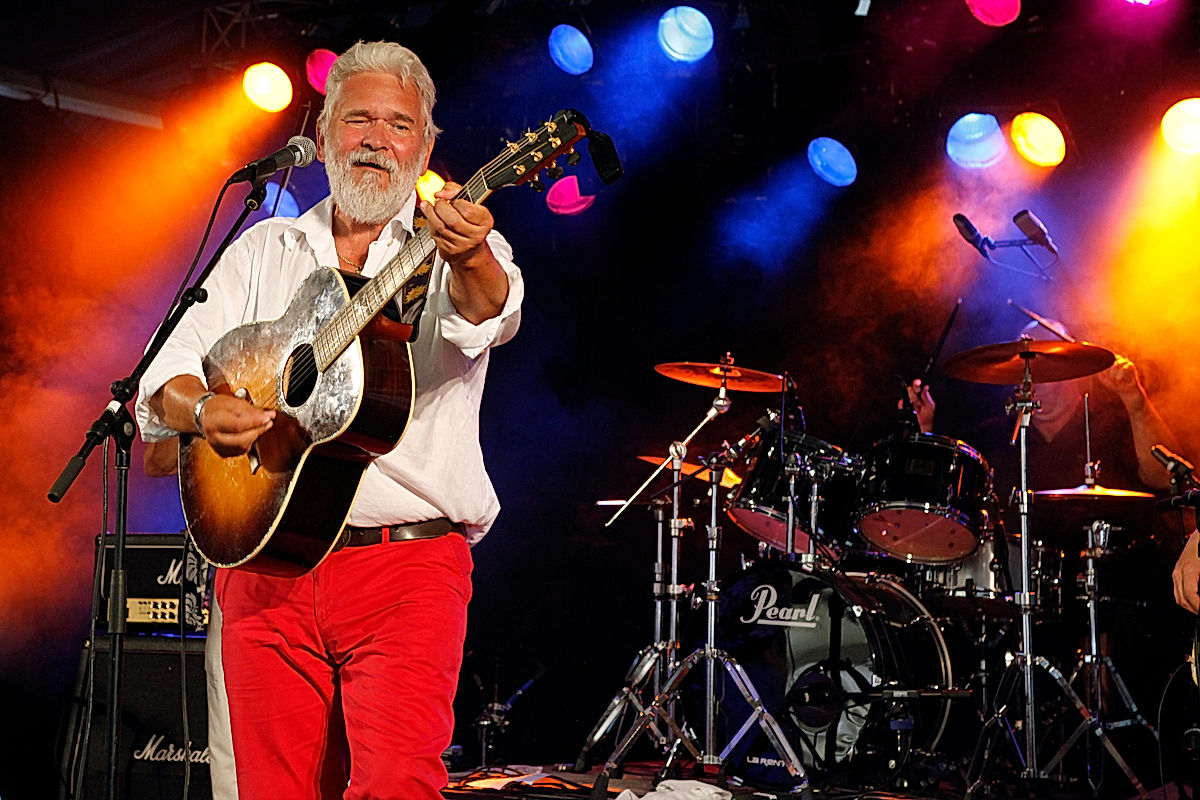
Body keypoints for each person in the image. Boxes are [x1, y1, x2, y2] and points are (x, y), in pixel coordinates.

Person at [135, 40, 523, 800]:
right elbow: (160, 378)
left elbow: (489, 309)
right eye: (358, 120)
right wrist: (206, 407)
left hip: (405, 569)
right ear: (321, 132)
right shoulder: (264, 247)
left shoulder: (450, 249)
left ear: (427, 145)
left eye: (400, 125)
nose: (378, 139)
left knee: (396, 788)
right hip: (265, 567)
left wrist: (472, 255)